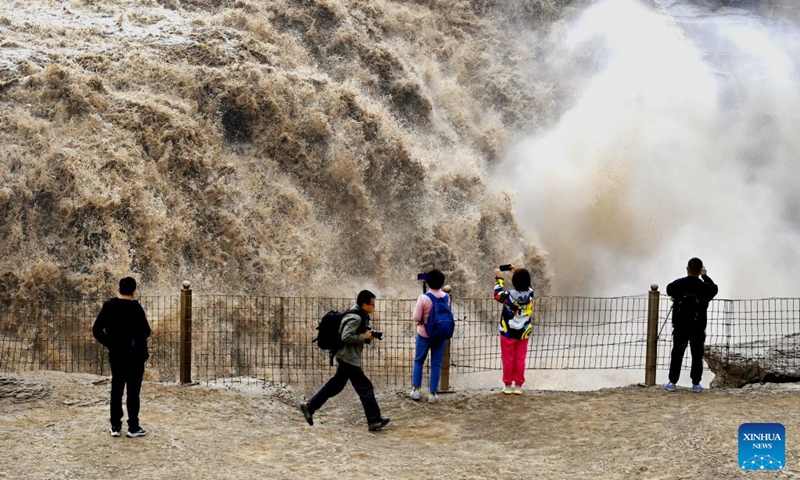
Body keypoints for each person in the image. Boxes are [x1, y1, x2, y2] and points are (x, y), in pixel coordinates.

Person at [300, 290, 391, 431]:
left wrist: (369, 334)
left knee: (336, 385)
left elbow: (352, 332)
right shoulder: (357, 317)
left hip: (345, 356)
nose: (374, 307)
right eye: (372, 305)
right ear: (364, 304)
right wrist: (363, 337)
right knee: (365, 387)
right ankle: (374, 420)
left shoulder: (358, 312)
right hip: (348, 358)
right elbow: (345, 336)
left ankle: (310, 406)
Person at [92, 277, 151, 438]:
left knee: (116, 390)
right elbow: (146, 331)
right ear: (134, 291)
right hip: (135, 356)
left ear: (119, 289)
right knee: (133, 392)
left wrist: (110, 343)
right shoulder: (136, 308)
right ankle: (133, 427)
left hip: (117, 355)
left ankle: (115, 426)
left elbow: (97, 330)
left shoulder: (109, 306)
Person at [665, 257, 719, 393]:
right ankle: (696, 383)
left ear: (687, 269)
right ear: (700, 270)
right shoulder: (705, 288)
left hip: (680, 325)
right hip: (698, 326)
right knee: (696, 355)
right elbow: (714, 289)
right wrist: (705, 276)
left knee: (677, 353)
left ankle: (672, 382)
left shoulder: (678, 284)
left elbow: (669, 289)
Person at [409, 269, 449, 404]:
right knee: (436, 364)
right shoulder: (446, 297)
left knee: (419, 361)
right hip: (440, 335)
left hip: (424, 334)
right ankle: (433, 394)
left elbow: (416, 317)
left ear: (428, 282)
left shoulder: (424, 298)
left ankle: (416, 390)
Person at [493, 266, 535, 394]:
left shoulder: (509, 296)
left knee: (508, 358)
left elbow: (497, 294)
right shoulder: (530, 293)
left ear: (514, 282)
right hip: (523, 332)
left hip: (508, 332)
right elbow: (526, 284)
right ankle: (518, 386)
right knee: (520, 358)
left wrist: (499, 277)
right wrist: (516, 272)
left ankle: (507, 385)